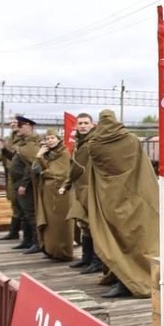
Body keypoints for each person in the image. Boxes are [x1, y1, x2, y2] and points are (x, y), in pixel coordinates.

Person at [81, 109, 164, 298]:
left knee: (115, 238)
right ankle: (140, 276)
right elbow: (142, 165)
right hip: (137, 195)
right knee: (138, 237)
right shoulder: (131, 140)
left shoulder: (94, 145)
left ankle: (122, 279)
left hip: (108, 198)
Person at [60, 112, 102, 273]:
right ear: (76, 126)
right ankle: (86, 258)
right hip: (80, 187)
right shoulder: (79, 142)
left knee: (92, 224)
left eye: (86, 123)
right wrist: (68, 184)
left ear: (92, 125)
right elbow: (74, 167)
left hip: (91, 187)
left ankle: (96, 261)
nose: (83, 126)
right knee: (83, 224)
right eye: (80, 123)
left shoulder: (94, 142)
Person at [32, 129, 76, 261]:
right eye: (47, 138)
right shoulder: (46, 154)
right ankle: (50, 249)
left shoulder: (64, 153)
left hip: (60, 194)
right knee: (50, 223)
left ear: (58, 139)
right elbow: (36, 169)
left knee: (60, 222)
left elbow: (61, 173)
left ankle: (63, 251)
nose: (50, 140)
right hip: (47, 193)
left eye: (52, 138)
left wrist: (44, 172)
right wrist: (39, 156)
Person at [6, 116, 43, 253]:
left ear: (29, 127)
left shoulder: (31, 145)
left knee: (30, 213)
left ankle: (36, 242)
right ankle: (27, 241)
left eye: (21, 126)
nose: (18, 128)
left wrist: (24, 184)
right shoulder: (23, 143)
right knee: (24, 213)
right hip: (18, 183)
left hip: (25, 184)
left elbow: (31, 166)